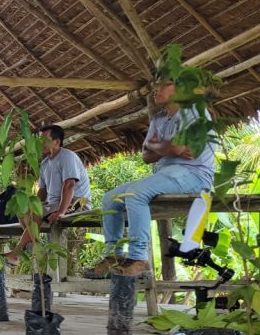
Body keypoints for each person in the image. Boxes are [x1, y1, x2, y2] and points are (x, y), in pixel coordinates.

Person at [84, 61, 217, 279]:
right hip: (165, 174)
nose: (157, 89)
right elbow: (146, 156)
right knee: (109, 199)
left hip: (194, 174)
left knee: (136, 193)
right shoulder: (159, 118)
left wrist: (160, 147)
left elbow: (178, 148)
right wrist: (166, 148)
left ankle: (139, 259)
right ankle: (114, 255)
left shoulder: (195, 113)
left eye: (164, 84)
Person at [3, 125, 91, 266]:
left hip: (76, 203)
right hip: (52, 204)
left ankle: (17, 252)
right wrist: (32, 204)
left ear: (56, 142)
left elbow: (69, 185)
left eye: (44, 140)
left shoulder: (67, 156)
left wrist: (61, 212)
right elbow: (42, 191)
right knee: (23, 211)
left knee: (36, 214)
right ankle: (36, 247)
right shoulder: (44, 163)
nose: (40, 143)